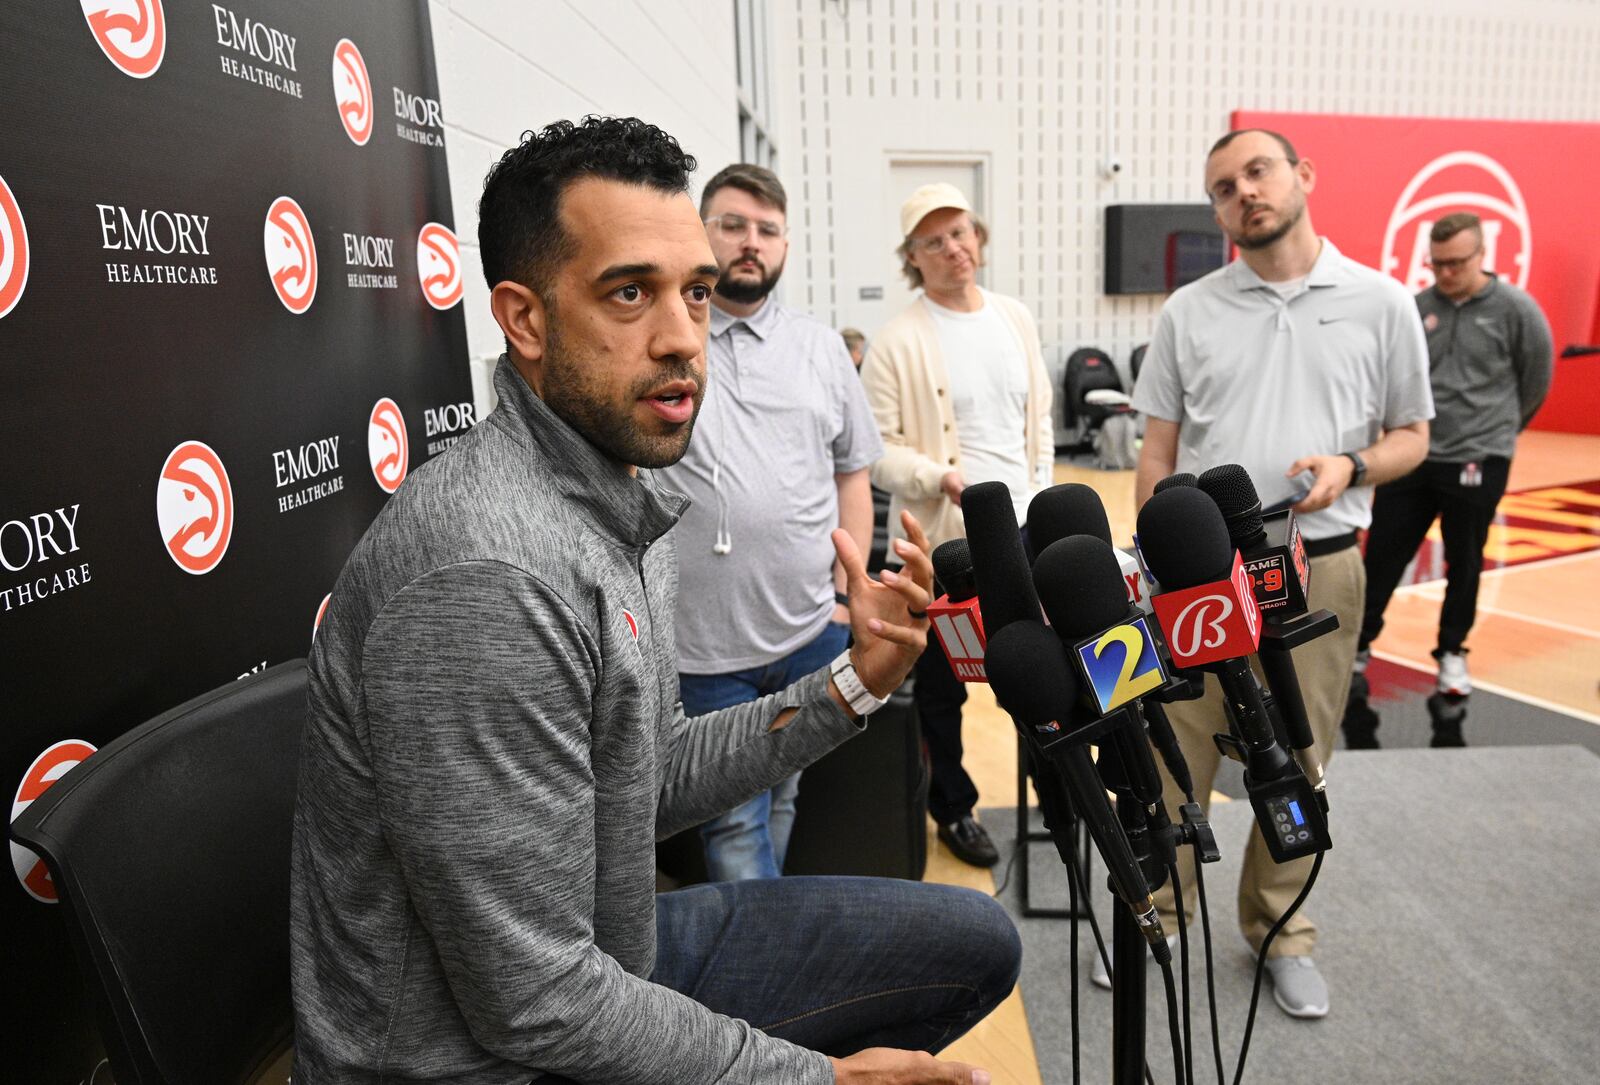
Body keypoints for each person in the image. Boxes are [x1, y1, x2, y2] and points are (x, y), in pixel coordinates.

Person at [290, 117, 1019, 1085]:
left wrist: (852, 683)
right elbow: (535, 1002)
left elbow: (646, 773)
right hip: (477, 1056)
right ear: (525, 319)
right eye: (629, 293)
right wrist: (810, 1078)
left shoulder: (618, 490)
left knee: (977, 936)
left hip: (607, 952)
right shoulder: (485, 574)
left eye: (697, 293)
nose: (682, 338)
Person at [1129, 128, 1433, 1018]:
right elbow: (1158, 452)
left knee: (1299, 754)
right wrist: (1151, 564)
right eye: (1224, 187)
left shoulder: (1381, 302)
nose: (1244, 194)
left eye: (1257, 173)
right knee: (1175, 751)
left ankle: (1280, 927)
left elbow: (1414, 435)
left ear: (1302, 176)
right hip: (1196, 576)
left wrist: (1354, 464)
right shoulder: (1189, 309)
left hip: (1320, 569)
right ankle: (1164, 911)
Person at [655, 163, 882, 881]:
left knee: (784, 795)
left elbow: (853, 470)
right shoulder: (664, 341)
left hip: (812, 632)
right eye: (732, 226)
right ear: (701, 232)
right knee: (732, 824)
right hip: (704, 651)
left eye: (767, 230)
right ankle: (762, 987)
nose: (750, 243)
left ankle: (764, 949)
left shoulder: (820, 349)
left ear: (784, 244)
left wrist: (850, 595)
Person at [860, 183, 1055, 869]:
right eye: (934, 241)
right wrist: (940, 477)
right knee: (942, 687)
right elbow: (877, 453)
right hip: (948, 541)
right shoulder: (896, 341)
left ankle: (1057, 792)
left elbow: (1039, 421)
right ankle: (954, 806)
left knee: (1039, 670)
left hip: (1025, 530)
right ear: (913, 256)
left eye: (962, 232)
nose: (954, 248)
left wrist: (1042, 490)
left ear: (980, 234)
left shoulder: (1014, 318)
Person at [1356, 211, 1553, 724]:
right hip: (1413, 455)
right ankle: (1359, 647)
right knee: (1382, 556)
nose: (1445, 273)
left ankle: (1451, 654)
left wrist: (1497, 435)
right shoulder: (1416, 308)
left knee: (1463, 562)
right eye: (1437, 263)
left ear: (1482, 256)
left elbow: (1535, 380)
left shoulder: (1516, 310)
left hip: (1478, 457)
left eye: (1456, 263)